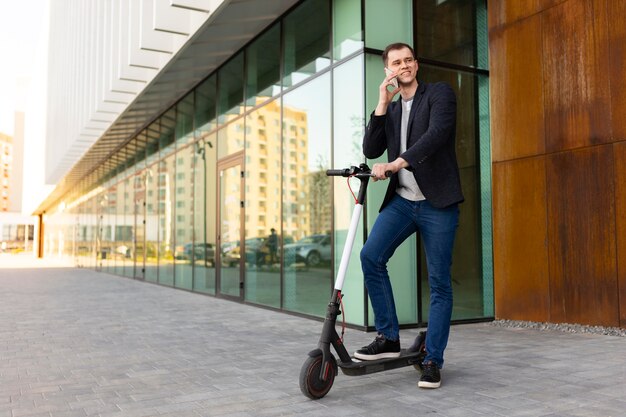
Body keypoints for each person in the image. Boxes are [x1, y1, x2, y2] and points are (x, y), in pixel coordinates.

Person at [355, 42, 464, 389]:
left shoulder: (439, 95)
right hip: (403, 200)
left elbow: (436, 136)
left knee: (439, 283)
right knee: (371, 256)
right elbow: (371, 149)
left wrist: (398, 162)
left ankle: (432, 359)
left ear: (416, 65)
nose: (403, 66)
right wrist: (383, 102)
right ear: (388, 69)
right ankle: (388, 337)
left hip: (438, 202)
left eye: (408, 60)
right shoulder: (393, 109)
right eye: (396, 63)